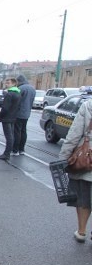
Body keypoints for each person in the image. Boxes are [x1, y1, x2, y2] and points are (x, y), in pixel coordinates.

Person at [58, 98, 92, 242]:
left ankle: (82, 231)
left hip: (88, 158)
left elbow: (74, 133)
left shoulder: (89, 105)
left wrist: (63, 157)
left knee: (84, 197)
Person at [0, 78, 21, 161]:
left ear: (14, 84)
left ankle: (6, 154)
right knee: (11, 136)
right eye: (6, 83)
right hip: (13, 117)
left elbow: (5, 108)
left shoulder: (9, 94)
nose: (6, 84)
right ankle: (8, 152)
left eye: (8, 83)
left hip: (7, 118)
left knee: (9, 137)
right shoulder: (18, 93)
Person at [13, 74, 36, 156]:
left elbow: (15, 100)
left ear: (19, 81)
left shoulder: (20, 88)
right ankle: (21, 149)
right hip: (27, 113)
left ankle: (15, 150)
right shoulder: (32, 88)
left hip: (19, 113)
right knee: (23, 131)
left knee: (17, 131)